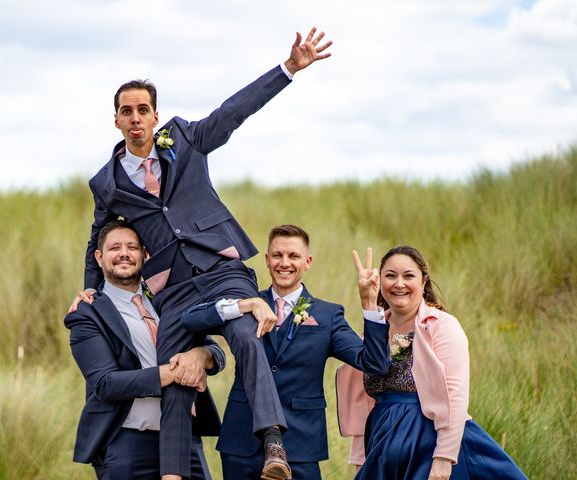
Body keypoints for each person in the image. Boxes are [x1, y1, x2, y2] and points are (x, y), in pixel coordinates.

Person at [71, 27, 333, 480]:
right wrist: (89, 291)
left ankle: (272, 442)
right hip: (171, 290)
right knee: (172, 368)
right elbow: (97, 236)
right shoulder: (106, 183)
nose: (136, 118)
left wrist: (289, 68)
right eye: (126, 111)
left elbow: (233, 112)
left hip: (221, 268)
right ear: (115, 120)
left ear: (155, 116)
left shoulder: (186, 139)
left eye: (143, 110)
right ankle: (175, 473)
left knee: (246, 335)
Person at [181, 224, 391, 479]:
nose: (285, 263)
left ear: (308, 261)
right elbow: (190, 318)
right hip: (242, 441)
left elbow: (375, 363)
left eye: (293, 256)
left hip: (300, 443)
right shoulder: (245, 304)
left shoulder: (328, 315)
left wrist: (369, 303)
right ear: (267, 260)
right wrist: (245, 304)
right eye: (278, 255)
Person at [336, 245, 528, 480]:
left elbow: (455, 394)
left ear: (424, 280)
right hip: (383, 444)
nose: (399, 283)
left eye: (408, 276)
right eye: (390, 275)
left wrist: (444, 458)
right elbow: (362, 405)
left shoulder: (441, 325)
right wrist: (361, 459)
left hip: (429, 442)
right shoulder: (372, 333)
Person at [65, 220, 227, 480]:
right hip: (127, 445)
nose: (124, 254)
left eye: (132, 247)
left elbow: (216, 353)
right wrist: (175, 372)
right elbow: (107, 384)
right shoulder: (87, 314)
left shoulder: (170, 299)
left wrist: (200, 356)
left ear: (145, 253)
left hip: (184, 439)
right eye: (114, 248)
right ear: (99, 257)